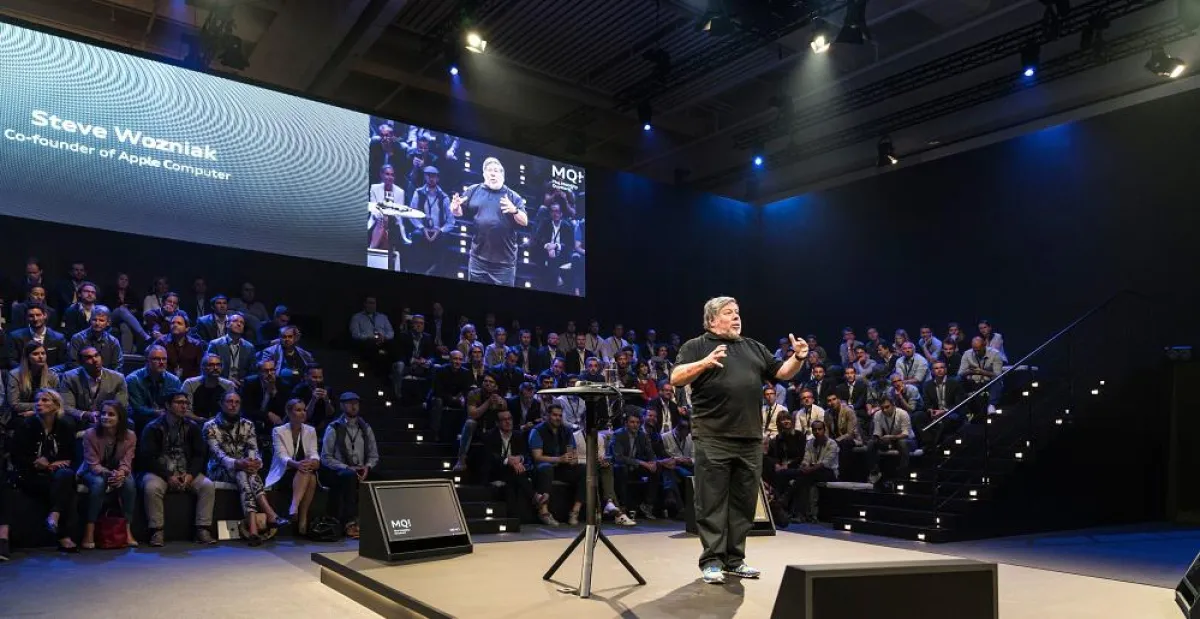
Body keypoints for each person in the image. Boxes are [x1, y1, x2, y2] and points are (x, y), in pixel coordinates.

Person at [671, 296, 809, 584]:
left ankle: (735, 559)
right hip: (713, 436)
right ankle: (712, 560)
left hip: (749, 438)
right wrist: (704, 363)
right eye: (728, 313)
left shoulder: (753, 347)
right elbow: (676, 378)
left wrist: (797, 357)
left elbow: (782, 373)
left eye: (737, 312)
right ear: (711, 320)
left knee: (745, 502)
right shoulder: (696, 346)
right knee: (711, 501)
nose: (736, 317)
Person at [203, 392, 288, 546]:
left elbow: (254, 449)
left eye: (237, 402)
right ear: (221, 404)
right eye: (229, 401)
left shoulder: (248, 424)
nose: (233, 405)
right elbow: (218, 455)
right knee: (243, 473)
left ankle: (253, 530)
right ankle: (270, 515)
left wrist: (255, 462)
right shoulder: (210, 426)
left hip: (245, 468)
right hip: (218, 469)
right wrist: (238, 463)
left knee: (247, 474)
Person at [139, 391, 217, 546]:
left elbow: (199, 455)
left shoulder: (192, 427)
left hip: (186, 471)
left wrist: (191, 474)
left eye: (186, 403)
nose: (184, 406)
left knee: (207, 486)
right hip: (160, 472)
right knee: (151, 487)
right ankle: (157, 530)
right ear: (168, 406)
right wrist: (168, 476)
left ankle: (202, 528)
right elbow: (148, 458)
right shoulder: (153, 427)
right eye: (179, 402)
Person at [11, 389, 78, 552]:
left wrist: (50, 464)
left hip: (55, 474)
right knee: (64, 488)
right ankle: (63, 536)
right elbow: (16, 456)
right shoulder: (26, 425)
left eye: (45, 400)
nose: (39, 403)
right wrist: (39, 464)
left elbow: (70, 456)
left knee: (66, 475)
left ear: (56, 405)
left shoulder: (65, 426)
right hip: (29, 473)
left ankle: (54, 515)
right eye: (38, 400)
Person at [449, 156, 530, 286]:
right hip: (478, 259)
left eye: (496, 171)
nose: (492, 174)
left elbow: (524, 221)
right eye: (489, 170)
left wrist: (514, 210)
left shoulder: (513, 196)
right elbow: (459, 212)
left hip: (504, 264)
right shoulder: (473, 190)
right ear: (484, 174)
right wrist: (455, 207)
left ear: (502, 175)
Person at [78, 400, 138, 549]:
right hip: (91, 471)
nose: (105, 417)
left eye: (111, 414)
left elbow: (127, 461)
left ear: (120, 418)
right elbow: (93, 464)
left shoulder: (130, 436)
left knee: (129, 483)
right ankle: (89, 530)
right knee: (98, 483)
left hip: (117, 472)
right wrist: (112, 474)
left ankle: (127, 529)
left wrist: (121, 473)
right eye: (103, 413)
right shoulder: (90, 434)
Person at [320, 392, 380, 539]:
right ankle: (350, 522)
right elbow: (326, 457)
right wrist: (346, 467)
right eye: (349, 403)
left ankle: (380, 522)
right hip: (340, 470)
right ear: (342, 406)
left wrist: (367, 467)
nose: (353, 406)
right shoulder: (334, 427)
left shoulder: (365, 428)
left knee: (382, 478)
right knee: (350, 477)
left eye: (356, 403)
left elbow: (374, 455)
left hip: (361, 468)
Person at [266, 399, 320, 535]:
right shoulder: (278, 431)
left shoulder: (310, 430)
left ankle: (295, 510)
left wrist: (314, 461)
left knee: (309, 474)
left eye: (304, 410)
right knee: (307, 473)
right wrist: (297, 464)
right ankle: (300, 514)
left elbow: (313, 452)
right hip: (285, 471)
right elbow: (281, 456)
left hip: (303, 471)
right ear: (289, 413)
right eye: (298, 410)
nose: (303, 413)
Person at [529, 403, 585, 526]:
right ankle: (544, 512)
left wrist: (572, 458)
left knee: (584, 469)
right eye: (555, 415)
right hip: (541, 467)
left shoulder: (566, 431)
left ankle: (575, 511)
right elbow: (537, 457)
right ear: (547, 415)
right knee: (546, 468)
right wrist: (559, 459)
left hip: (561, 468)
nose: (558, 418)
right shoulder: (537, 431)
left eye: (560, 415)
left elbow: (571, 451)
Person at [481, 410, 537, 524]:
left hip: (514, 472)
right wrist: (507, 460)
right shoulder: (489, 436)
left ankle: (514, 519)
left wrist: (519, 458)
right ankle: (535, 496)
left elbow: (526, 454)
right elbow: (490, 457)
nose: (508, 422)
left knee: (513, 480)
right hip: (496, 471)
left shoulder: (518, 435)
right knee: (515, 471)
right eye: (504, 420)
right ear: (497, 423)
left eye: (509, 419)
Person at [609, 410, 661, 522]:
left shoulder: (642, 435)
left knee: (656, 468)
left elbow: (650, 453)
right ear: (626, 423)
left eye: (637, 422)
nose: (635, 425)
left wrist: (653, 462)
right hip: (619, 466)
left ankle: (647, 505)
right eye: (632, 422)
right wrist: (641, 462)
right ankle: (622, 507)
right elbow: (619, 458)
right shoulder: (618, 435)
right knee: (622, 469)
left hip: (635, 467)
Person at [60, 346, 129, 424]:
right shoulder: (69, 377)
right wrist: (86, 414)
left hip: (108, 418)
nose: (95, 360)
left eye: (96, 355)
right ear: (81, 363)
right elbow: (66, 406)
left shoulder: (118, 378)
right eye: (89, 358)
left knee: (129, 423)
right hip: (81, 420)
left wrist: (104, 416)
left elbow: (121, 405)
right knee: (65, 421)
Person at [452, 373, 507, 472]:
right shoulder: (474, 394)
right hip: (476, 424)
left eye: (491, 382)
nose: (487, 383)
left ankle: (505, 459)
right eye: (485, 381)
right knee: (470, 423)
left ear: (496, 386)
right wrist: (488, 402)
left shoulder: (499, 395)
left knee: (505, 422)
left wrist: (501, 404)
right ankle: (461, 459)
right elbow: (472, 414)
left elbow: (505, 410)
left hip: (491, 425)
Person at [408, 165, 455, 276]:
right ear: (425, 176)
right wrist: (422, 227)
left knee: (444, 238)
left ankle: (437, 270)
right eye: (428, 175)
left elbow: (451, 221)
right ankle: (416, 269)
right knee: (417, 235)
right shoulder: (418, 193)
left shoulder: (444, 197)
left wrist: (440, 230)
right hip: (422, 229)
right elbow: (411, 214)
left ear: (438, 178)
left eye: (434, 176)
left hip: (438, 230)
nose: (431, 178)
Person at [792, 419, 839, 523]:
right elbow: (806, 459)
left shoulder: (832, 444)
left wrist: (808, 469)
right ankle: (803, 514)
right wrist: (804, 466)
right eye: (814, 429)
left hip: (829, 472)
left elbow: (825, 463)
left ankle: (791, 503)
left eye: (819, 429)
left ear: (824, 430)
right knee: (802, 478)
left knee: (804, 476)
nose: (817, 432)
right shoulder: (810, 443)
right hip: (812, 472)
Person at [368, 164, 410, 271]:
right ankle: (383, 258)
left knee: (388, 226)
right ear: (381, 175)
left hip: (393, 222)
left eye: (392, 175)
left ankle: (372, 251)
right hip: (377, 219)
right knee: (382, 222)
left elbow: (399, 213)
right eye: (387, 174)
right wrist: (383, 215)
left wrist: (389, 216)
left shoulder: (400, 192)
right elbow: (374, 208)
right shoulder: (374, 188)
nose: (390, 177)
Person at [866, 398, 915, 485]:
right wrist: (879, 439)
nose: (884, 410)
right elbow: (877, 432)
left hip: (908, 440)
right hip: (890, 439)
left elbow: (906, 434)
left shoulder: (902, 413)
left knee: (902, 443)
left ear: (893, 405)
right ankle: (874, 471)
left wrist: (891, 437)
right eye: (882, 408)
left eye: (887, 407)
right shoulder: (878, 414)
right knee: (871, 443)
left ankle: (902, 473)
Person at [5, 341, 60, 416]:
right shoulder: (15, 375)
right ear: (27, 357)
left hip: (46, 413)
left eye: (43, 353)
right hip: (20, 414)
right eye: (35, 354)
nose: (41, 357)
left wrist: (35, 412)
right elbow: (14, 404)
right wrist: (41, 406)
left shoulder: (52, 375)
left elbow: (57, 402)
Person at [8, 303, 67, 368]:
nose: (35, 319)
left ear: (45, 315)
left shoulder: (59, 338)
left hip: (51, 372)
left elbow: (64, 362)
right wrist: (25, 371)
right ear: (26, 318)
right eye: (31, 316)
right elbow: (12, 361)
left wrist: (49, 372)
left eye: (38, 315)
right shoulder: (15, 337)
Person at [205, 312, 257, 386]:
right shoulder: (215, 344)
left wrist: (244, 381)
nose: (239, 324)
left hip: (242, 385)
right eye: (235, 321)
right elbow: (209, 368)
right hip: (220, 384)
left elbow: (253, 371)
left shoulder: (249, 347)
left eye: (242, 323)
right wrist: (226, 381)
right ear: (227, 324)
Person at [183, 354, 237, 421]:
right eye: (211, 365)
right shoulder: (190, 383)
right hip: (195, 422)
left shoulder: (228, 385)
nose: (215, 368)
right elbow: (185, 410)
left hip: (221, 423)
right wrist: (200, 420)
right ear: (202, 368)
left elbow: (231, 409)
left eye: (218, 365)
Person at [153, 314, 204, 380]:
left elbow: (200, 368)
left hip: (189, 382)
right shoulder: (161, 342)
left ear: (187, 329)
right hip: (165, 381)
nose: (175, 325)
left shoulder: (196, 345)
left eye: (179, 323)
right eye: (172, 323)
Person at [291, 364, 336, 433]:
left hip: (324, 427)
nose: (318, 380)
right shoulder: (299, 390)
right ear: (306, 377)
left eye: (320, 377)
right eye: (314, 377)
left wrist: (326, 401)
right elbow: (302, 416)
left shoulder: (328, 390)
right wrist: (313, 400)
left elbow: (331, 414)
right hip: (304, 427)